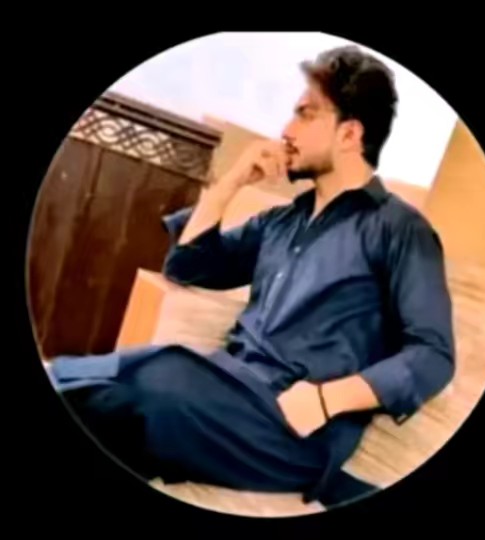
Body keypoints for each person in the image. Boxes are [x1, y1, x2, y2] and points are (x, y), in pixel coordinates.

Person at [45, 45, 455, 509]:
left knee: (157, 379)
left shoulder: (401, 230)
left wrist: (326, 399)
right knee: (111, 410)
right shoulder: (281, 221)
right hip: (224, 391)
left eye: (305, 114)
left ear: (349, 133)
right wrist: (234, 180)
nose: (286, 130)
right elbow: (188, 265)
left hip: (294, 430)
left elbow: (433, 355)